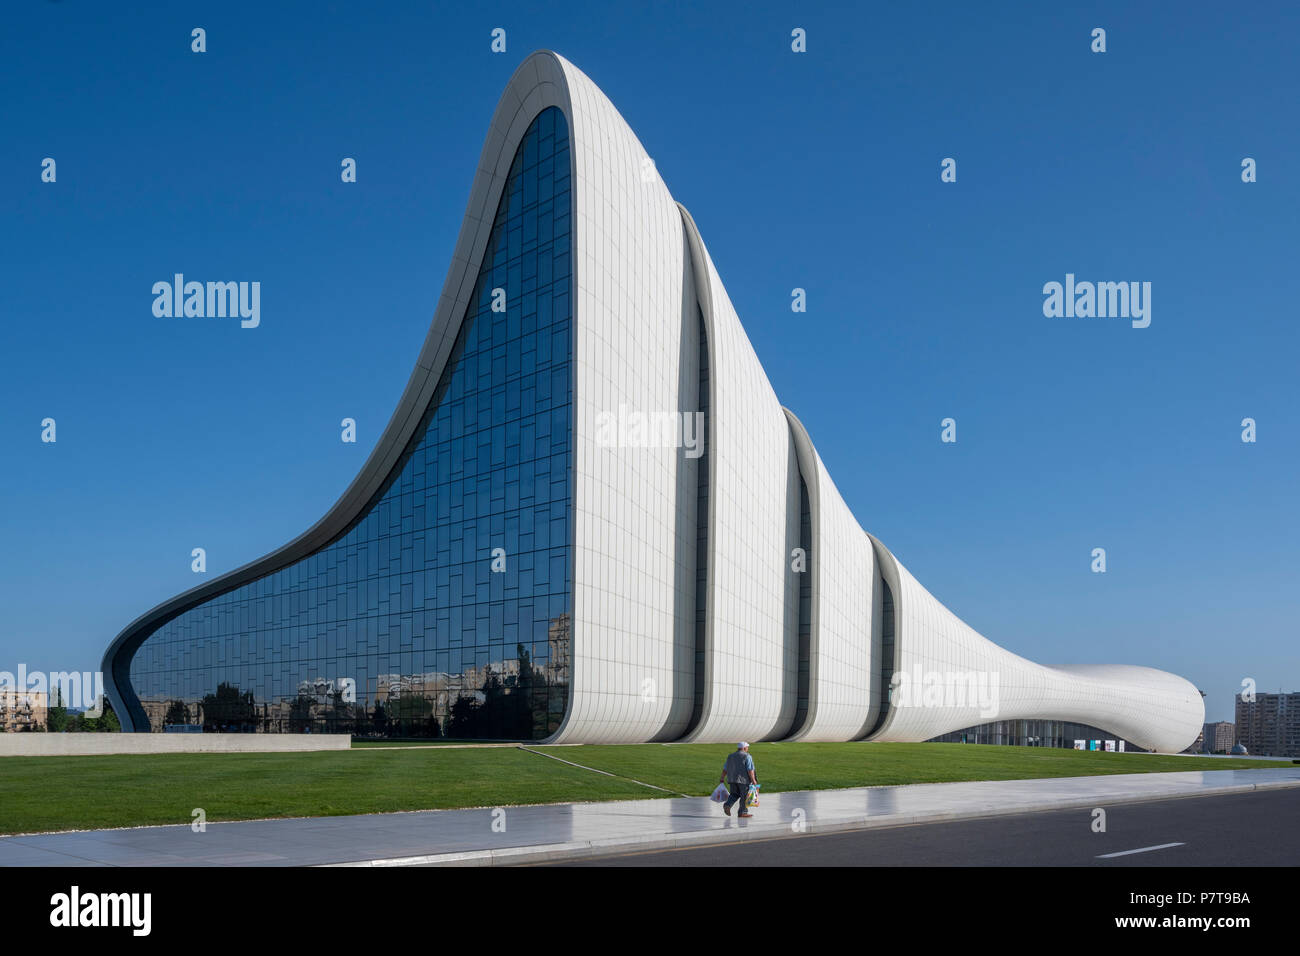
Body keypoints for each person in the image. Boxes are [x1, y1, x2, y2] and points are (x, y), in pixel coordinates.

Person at [719, 741, 757, 817]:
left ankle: (728, 805)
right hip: (743, 780)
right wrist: (753, 780)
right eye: (747, 747)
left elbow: (725, 768)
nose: (748, 749)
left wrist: (722, 777)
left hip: (732, 779)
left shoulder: (730, 756)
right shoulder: (747, 756)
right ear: (744, 748)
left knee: (734, 794)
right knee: (745, 796)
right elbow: (750, 770)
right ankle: (743, 812)